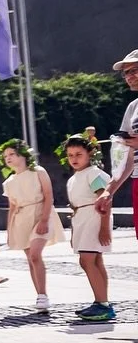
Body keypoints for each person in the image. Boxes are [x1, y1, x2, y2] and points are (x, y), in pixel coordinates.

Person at [0, 138, 63, 313]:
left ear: (23, 154)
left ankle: (43, 294)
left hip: (41, 213)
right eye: (6, 156)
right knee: (30, 258)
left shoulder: (38, 172)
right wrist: (9, 230)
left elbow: (49, 195)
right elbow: (12, 207)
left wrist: (43, 220)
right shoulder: (9, 181)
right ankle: (40, 296)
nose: (8, 158)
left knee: (35, 254)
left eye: (12, 154)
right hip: (21, 219)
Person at [64, 134, 115, 322]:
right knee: (93, 261)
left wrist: (104, 228)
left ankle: (102, 304)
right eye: (70, 155)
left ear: (90, 153)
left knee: (87, 260)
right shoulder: (75, 178)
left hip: (94, 217)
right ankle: (101, 302)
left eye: (78, 154)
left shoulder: (94, 173)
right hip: (82, 220)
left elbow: (105, 200)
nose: (74, 159)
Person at [104, 50, 138, 223]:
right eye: (126, 73)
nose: (130, 76)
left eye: (134, 70)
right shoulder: (133, 107)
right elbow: (128, 156)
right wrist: (108, 191)